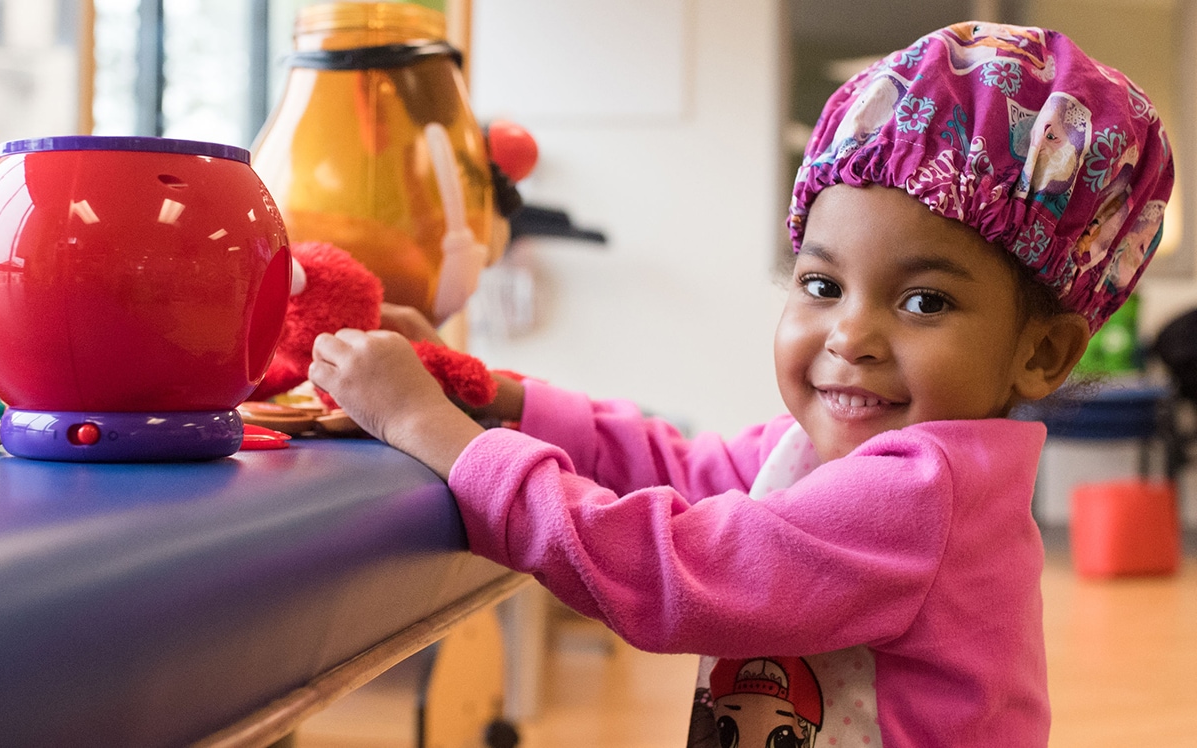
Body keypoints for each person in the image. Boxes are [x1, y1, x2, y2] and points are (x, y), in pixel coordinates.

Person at [308, 22, 1174, 747]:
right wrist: (488, 392)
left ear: (1044, 354)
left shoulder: (923, 493)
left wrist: (438, 434)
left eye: (923, 300)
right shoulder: (830, 454)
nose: (850, 335)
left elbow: (672, 571)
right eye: (822, 284)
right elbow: (673, 465)